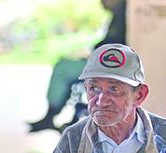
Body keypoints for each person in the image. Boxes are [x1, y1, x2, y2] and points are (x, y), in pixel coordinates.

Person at [28, 0, 127, 133]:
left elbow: (112, 43)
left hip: (109, 65)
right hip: (106, 61)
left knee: (62, 68)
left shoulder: (124, 14)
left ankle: (50, 115)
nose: (100, 3)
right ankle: (52, 115)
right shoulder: (121, 13)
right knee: (64, 63)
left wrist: (92, 54)